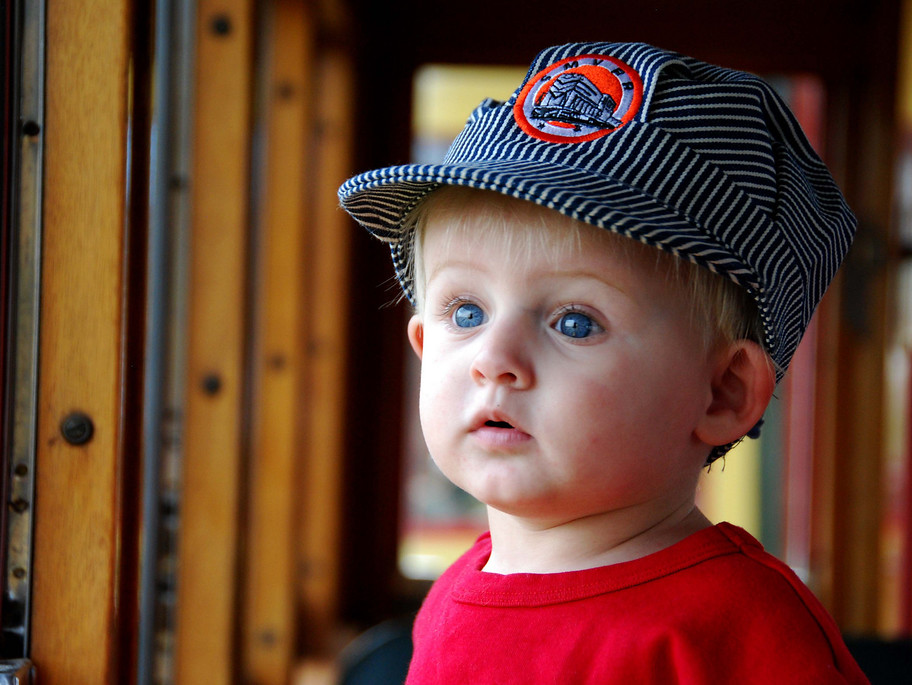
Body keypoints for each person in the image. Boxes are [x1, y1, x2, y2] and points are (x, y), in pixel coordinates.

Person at [338, 41, 869, 683]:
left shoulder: (736, 628)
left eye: (575, 322)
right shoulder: (455, 593)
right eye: (467, 313)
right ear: (422, 344)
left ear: (722, 392)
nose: (494, 359)